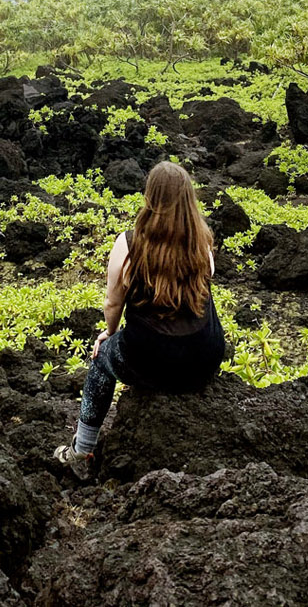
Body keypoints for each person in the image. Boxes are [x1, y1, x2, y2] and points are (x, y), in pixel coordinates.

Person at [54, 160, 225, 480]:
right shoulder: (202, 242)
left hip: (150, 356)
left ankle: (81, 449)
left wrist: (110, 334)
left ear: (150, 197)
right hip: (204, 358)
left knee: (101, 359)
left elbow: (112, 302)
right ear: (189, 200)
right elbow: (207, 281)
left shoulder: (129, 243)